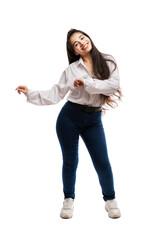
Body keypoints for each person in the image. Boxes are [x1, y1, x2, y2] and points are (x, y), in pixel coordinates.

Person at [15, 28, 122, 219]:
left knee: (102, 162)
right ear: (75, 52)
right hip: (70, 117)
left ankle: (110, 200)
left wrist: (88, 84)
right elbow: (56, 94)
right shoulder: (71, 70)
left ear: (88, 38)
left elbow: (113, 85)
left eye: (82, 38)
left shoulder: (108, 61)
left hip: (94, 120)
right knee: (70, 161)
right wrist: (30, 92)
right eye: (76, 44)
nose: (81, 42)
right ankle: (68, 200)